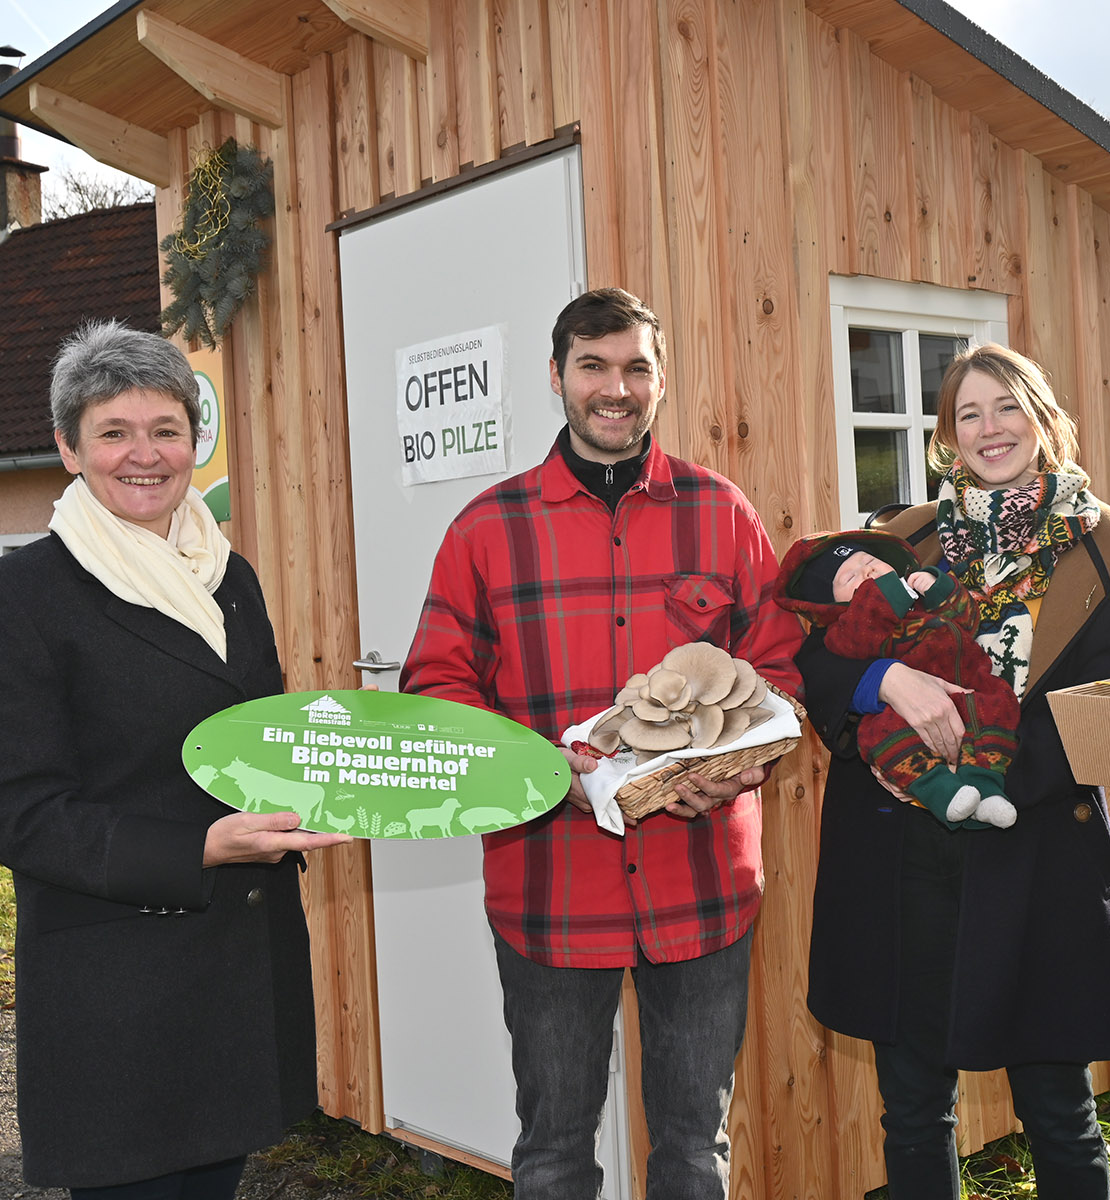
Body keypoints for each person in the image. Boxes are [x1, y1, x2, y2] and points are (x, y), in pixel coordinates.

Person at [399, 287, 803, 1198]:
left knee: (695, 1152)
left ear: (659, 382)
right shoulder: (486, 529)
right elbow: (437, 688)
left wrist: (726, 770)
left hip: (700, 878)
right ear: (557, 377)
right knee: (551, 1151)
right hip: (550, 883)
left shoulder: (721, 512)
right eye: (593, 366)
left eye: (635, 368)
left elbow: (779, 673)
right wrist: (550, 773)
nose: (614, 388)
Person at [0, 320, 350, 1199]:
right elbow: (20, 813)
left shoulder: (228, 578)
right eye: (114, 432)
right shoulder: (14, 599)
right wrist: (200, 848)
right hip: (117, 989)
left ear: (194, 442)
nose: (145, 455)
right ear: (68, 448)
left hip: (236, 970)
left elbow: (260, 743)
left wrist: (351, 775)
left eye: (166, 430)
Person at [797, 343, 1110, 1198]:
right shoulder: (902, 539)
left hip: (1030, 849)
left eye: (1007, 408)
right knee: (914, 1108)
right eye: (969, 414)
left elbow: (1104, 712)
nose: (989, 429)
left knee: (1058, 1112)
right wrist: (878, 684)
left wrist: (971, 763)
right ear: (946, 436)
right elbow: (816, 662)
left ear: (1043, 421)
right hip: (902, 856)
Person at [774, 530, 1020, 828]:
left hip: (971, 690)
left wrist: (941, 589)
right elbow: (843, 648)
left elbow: (967, 620)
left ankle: (988, 791)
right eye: (850, 578)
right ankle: (942, 792)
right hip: (901, 728)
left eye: (869, 560)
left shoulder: (921, 605)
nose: (866, 570)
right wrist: (881, 604)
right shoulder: (855, 625)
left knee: (998, 708)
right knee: (885, 736)